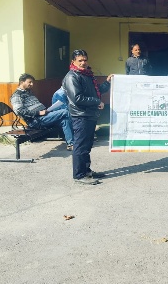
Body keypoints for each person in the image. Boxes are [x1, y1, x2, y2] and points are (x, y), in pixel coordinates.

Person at [63, 49, 113, 185]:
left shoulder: (87, 74)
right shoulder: (72, 77)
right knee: (80, 146)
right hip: (81, 116)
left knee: (87, 145)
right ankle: (79, 175)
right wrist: (97, 102)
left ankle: (86, 171)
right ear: (73, 61)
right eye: (80, 60)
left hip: (89, 115)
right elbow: (77, 98)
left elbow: (97, 91)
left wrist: (107, 82)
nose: (83, 63)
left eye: (85, 60)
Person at [10, 73, 74, 150]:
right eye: (29, 82)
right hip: (35, 121)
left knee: (65, 120)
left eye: (32, 82)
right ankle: (78, 136)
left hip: (44, 116)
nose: (32, 84)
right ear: (22, 82)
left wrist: (46, 111)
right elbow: (19, 111)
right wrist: (38, 113)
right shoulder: (17, 96)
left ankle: (71, 144)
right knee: (65, 112)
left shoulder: (29, 92)